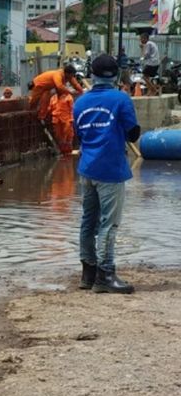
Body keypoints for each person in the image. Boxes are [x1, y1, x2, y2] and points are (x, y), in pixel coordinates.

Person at [73, 53, 140, 294]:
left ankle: (87, 273)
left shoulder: (79, 102)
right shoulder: (121, 99)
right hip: (110, 169)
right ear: (116, 74)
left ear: (93, 74)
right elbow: (133, 134)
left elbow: (78, 136)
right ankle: (106, 274)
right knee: (109, 225)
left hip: (87, 169)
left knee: (88, 222)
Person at [49, 90, 75, 155]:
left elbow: (72, 109)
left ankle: (68, 150)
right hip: (56, 120)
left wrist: (71, 119)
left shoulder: (68, 97)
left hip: (66, 119)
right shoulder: (53, 98)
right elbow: (50, 108)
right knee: (58, 135)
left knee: (68, 134)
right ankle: (62, 150)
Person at [139, 31, 161, 95]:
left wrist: (142, 48)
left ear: (145, 38)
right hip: (155, 63)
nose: (140, 41)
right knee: (147, 77)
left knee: (144, 77)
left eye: (141, 39)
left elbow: (146, 55)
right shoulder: (152, 43)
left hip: (152, 63)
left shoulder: (148, 44)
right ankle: (150, 91)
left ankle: (153, 90)